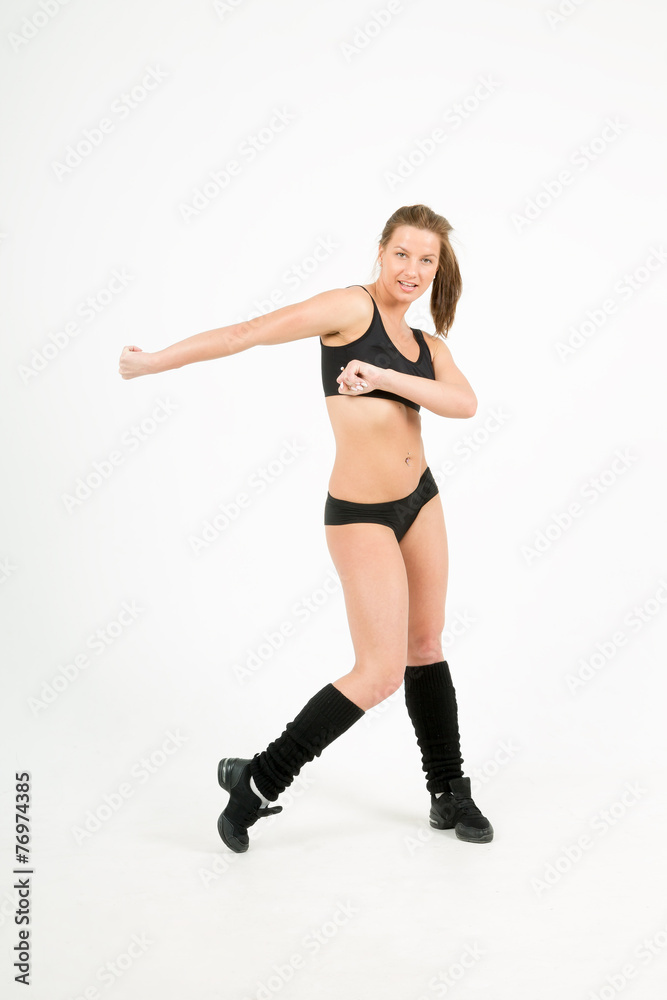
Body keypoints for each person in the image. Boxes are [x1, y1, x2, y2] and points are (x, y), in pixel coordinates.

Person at [119, 203, 494, 853]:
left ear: (437, 269)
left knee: (426, 645)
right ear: (381, 251)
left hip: (421, 500)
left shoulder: (428, 347)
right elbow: (249, 332)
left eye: (426, 260)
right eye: (401, 253)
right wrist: (155, 362)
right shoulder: (349, 309)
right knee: (378, 673)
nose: (411, 269)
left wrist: (381, 376)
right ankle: (259, 780)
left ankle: (447, 792)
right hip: (361, 513)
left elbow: (464, 403)